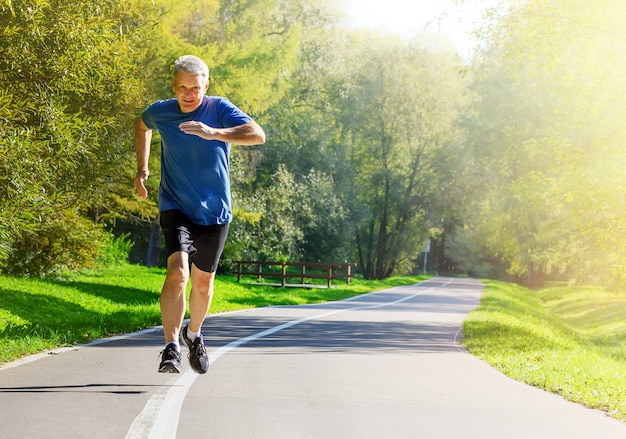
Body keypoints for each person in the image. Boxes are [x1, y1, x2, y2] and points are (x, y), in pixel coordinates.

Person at [134, 55, 266, 374]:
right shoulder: (161, 111)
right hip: (175, 205)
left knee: (203, 283)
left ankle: (193, 335)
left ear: (206, 84)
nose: (189, 94)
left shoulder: (219, 109)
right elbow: (141, 125)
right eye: (183, 88)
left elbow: (257, 134)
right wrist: (142, 168)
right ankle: (170, 348)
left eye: (195, 87)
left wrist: (213, 132)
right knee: (178, 273)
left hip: (215, 211)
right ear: (173, 86)